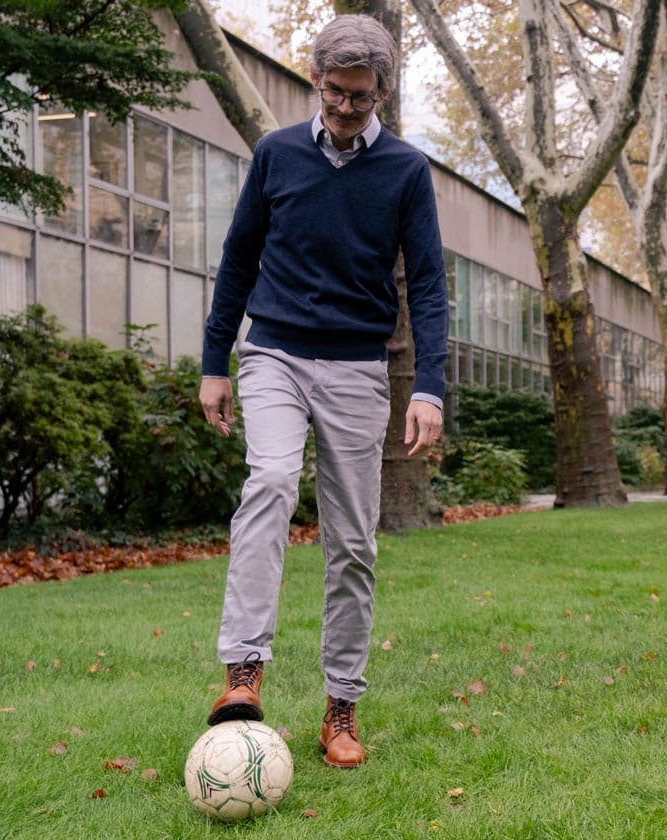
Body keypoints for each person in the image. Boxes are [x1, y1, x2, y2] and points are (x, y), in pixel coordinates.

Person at [198, 14, 447, 769]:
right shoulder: (275, 155)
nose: (345, 109)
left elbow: (430, 287)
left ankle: (341, 708)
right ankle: (243, 672)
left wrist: (429, 386)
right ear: (316, 81)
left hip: (355, 370)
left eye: (361, 98)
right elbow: (238, 260)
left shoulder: (406, 171)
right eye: (335, 93)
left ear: (382, 93)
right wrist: (216, 362)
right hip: (272, 350)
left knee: (352, 544)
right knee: (269, 481)